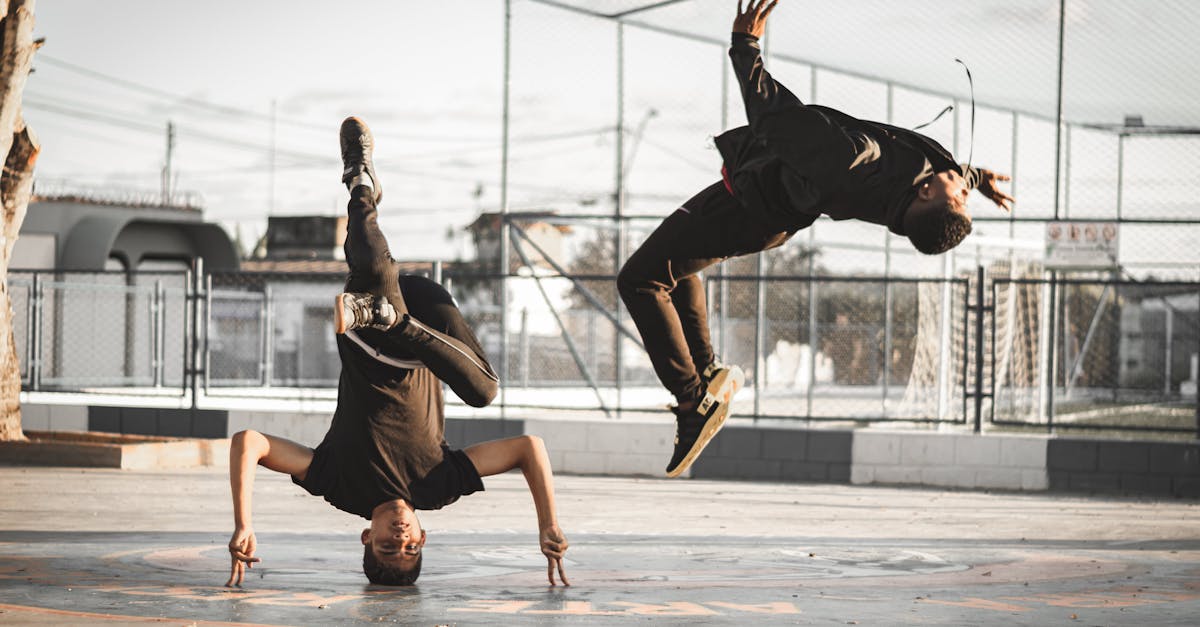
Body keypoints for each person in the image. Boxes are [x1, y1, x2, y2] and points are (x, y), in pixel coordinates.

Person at [617, 0, 1015, 478]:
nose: (964, 189)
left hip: (746, 209)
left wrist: (745, 46)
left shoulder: (852, 160)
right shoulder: (917, 189)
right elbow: (947, 180)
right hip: (760, 210)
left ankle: (691, 400)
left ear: (927, 192)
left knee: (639, 280)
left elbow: (774, 118)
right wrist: (978, 176)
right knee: (676, 268)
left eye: (961, 196)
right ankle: (706, 375)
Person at [225, 117, 569, 588]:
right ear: (424, 537)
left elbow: (251, 442)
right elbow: (529, 449)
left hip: (372, 341)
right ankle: (392, 317)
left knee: (370, 262)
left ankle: (360, 181)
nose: (400, 536)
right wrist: (547, 521)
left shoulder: (339, 485)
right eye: (411, 546)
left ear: (366, 536)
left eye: (388, 545)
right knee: (485, 392)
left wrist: (244, 521)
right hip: (427, 326)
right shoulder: (438, 487)